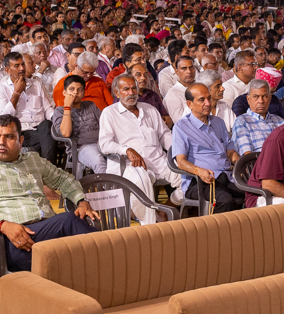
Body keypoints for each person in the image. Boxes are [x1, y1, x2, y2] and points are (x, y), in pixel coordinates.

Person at [0, 115, 100, 273]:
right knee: (69, 223)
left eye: (9, 137)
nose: (1, 142)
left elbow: (63, 179)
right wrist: (2, 226)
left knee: (83, 257)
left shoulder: (32, 160)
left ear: (21, 140)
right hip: (10, 244)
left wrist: (81, 201)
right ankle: (117, 252)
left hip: (47, 234)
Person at [98, 74, 182, 224]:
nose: (131, 93)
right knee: (141, 180)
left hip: (158, 160)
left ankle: (164, 210)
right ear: (117, 93)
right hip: (130, 164)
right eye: (126, 89)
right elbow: (104, 144)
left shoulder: (149, 109)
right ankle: (148, 224)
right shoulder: (109, 113)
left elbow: (164, 135)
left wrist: (178, 153)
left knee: (188, 177)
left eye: (133, 88)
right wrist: (127, 150)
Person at [173, 82, 242, 212]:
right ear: (190, 104)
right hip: (200, 181)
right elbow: (181, 162)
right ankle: (218, 232)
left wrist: (240, 165)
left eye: (208, 98)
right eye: (201, 100)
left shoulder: (218, 122)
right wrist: (199, 171)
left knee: (255, 191)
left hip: (226, 176)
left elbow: (230, 152)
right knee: (225, 201)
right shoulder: (182, 127)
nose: (208, 103)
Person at [0, 52, 57, 163]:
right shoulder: (2, 89)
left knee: (48, 126)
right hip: (22, 131)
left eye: (23, 64)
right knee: (50, 139)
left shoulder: (36, 84)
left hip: (41, 127)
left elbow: (47, 109)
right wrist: (16, 93)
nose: (22, 68)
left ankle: (47, 165)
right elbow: (4, 118)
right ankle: (49, 166)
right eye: (17, 66)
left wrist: (57, 120)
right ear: (8, 70)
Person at [52, 74, 105, 174]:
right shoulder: (59, 111)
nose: (76, 92)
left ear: (83, 93)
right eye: (71, 89)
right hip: (80, 148)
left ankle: (118, 187)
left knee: (118, 160)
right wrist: (67, 106)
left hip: (101, 144)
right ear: (64, 92)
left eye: (79, 90)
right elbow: (66, 133)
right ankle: (108, 189)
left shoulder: (91, 105)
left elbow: (105, 124)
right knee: (99, 161)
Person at [231, 79, 284, 155]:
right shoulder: (242, 122)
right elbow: (247, 156)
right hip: (259, 164)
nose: (261, 101)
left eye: (264, 96)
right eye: (256, 97)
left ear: (269, 99)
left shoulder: (280, 122)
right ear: (248, 99)